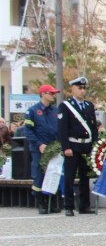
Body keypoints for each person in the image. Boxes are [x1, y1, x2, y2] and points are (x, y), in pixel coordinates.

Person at [58, 77, 99, 216]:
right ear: (72, 89)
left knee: (84, 177)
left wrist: (95, 143)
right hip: (72, 145)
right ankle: (68, 206)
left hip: (86, 146)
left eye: (84, 88)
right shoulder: (65, 106)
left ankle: (84, 205)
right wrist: (66, 147)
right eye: (79, 88)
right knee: (69, 177)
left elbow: (93, 127)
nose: (82, 91)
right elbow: (62, 129)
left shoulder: (89, 106)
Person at [24, 84, 59, 214]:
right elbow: (28, 131)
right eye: (51, 93)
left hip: (54, 149)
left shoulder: (55, 111)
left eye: (54, 93)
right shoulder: (32, 111)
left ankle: (51, 202)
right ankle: (41, 203)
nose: (53, 95)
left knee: (53, 173)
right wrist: (39, 144)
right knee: (39, 174)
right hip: (39, 148)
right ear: (43, 94)